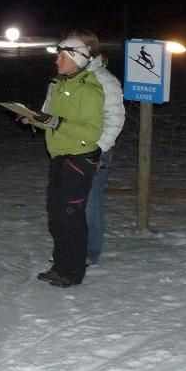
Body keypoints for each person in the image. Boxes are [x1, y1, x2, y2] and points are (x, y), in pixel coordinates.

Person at [31, 36, 104, 288]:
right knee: (56, 217)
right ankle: (60, 266)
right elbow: (54, 119)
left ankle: (73, 271)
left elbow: (91, 133)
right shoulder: (59, 85)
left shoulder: (90, 91)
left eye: (63, 56)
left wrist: (56, 123)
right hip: (59, 159)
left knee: (71, 217)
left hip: (77, 161)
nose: (57, 60)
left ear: (77, 60)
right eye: (57, 55)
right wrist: (36, 119)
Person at [58, 30, 125, 265]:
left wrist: (99, 150)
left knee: (90, 203)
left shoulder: (103, 79)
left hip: (95, 152)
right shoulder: (73, 76)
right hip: (72, 150)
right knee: (72, 203)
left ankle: (90, 252)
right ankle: (75, 248)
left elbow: (115, 119)